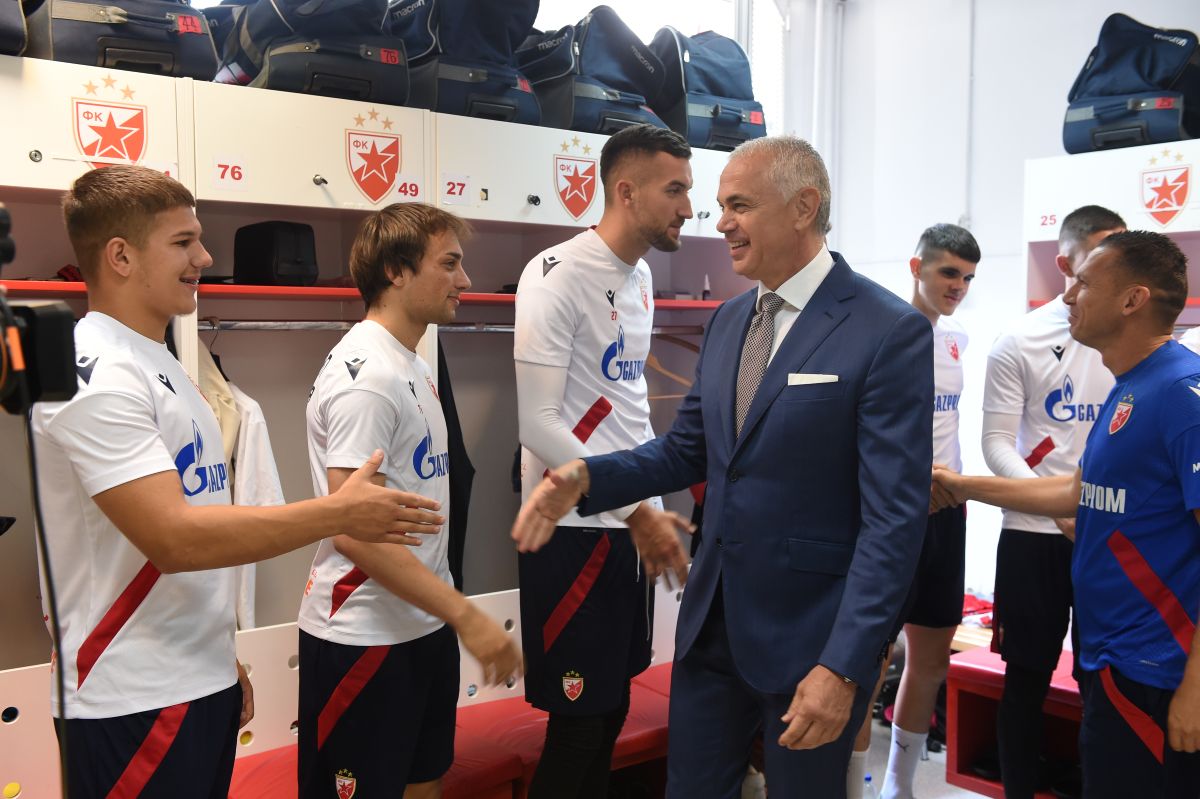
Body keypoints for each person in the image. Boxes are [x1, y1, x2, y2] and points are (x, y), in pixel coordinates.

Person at [513, 135, 933, 798]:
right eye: (719, 206)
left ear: (803, 208)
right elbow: (686, 450)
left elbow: (895, 522)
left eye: (740, 206)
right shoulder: (730, 319)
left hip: (810, 643)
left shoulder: (887, 330)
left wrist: (845, 665)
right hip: (711, 631)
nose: (721, 223)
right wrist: (588, 477)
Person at [34, 165, 443, 798]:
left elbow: (198, 530)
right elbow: (175, 538)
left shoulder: (162, 362)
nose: (205, 258)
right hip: (129, 696)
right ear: (120, 256)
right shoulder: (98, 372)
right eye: (183, 242)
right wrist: (339, 513)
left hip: (196, 680)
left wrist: (221, 657)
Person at [933, 231, 1200, 798]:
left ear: (1132, 300)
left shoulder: (1180, 394)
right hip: (1112, 658)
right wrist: (962, 486)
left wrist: (1196, 689)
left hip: (1157, 671)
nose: (1069, 295)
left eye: (1084, 283)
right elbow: (1078, 492)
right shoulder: (1129, 386)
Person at [297, 203, 523, 799]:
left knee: (425, 785)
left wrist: (447, 613)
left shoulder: (413, 365)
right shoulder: (368, 378)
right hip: (363, 636)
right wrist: (466, 614)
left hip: (422, 624)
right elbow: (350, 529)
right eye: (448, 264)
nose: (465, 280)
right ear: (396, 271)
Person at [512, 123, 694, 799]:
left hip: (629, 524)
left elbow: (628, 407)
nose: (688, 208)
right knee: (580, 726)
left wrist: (650, 507)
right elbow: (537, 423)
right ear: (626, 191)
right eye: (674, 190)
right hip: (574, 529)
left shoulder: (641, 276)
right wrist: (639, 509)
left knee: (612, 710)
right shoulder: (555, 275)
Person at [980, 204, 1124, 798]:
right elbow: (995, 442)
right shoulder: (1019, 340)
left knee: (1101, 682)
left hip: (1108, 536)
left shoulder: (1133, 340)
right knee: (1026, 681)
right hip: (1033, 535)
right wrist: (1053, 505)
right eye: (1102, 253)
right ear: (1066, 264)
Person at [876, 223, 980, 799]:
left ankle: (899, 784)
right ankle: (851, 782)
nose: (958, 286)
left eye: (967, 278)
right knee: (868, 658)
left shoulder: (958, 336)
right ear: (917, 268)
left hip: (946, 514)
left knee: (931, 658)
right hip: (891, 511)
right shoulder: (882, 332)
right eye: (948, 273)